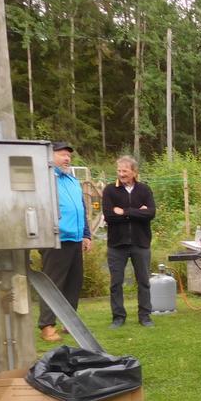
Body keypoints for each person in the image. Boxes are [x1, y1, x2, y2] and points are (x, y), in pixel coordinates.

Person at [37, 142, 92, 342]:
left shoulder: (72, 180)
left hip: (75, 239)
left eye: (69, 155)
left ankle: (70, 322)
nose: (67, 158)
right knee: (53, 283)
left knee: (74, 283)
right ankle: (47, 326)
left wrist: (86, 235)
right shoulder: (44, 179)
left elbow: (81, 208)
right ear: (50, 156)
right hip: (56, 239)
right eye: (62, 154)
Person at [101, 155, 155, 328]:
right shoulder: (110, 190)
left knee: (144, 281)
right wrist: (138, 212)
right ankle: (118, 317)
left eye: (125, 171)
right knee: (116, 283)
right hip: (117, 244)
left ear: (134, 172)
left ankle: (145, 316)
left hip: (141, 243)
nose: (121, 174)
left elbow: (151, 213)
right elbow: (109, 216)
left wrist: (124, 211)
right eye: (119, 170)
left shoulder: (144, 190)